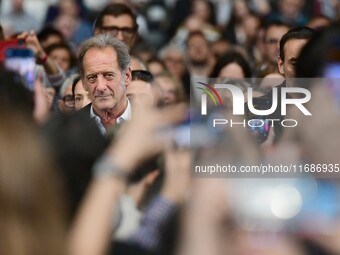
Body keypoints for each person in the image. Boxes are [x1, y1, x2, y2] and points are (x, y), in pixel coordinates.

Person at [78, 34, 132, 134]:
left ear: (127, 76)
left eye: (108, 75)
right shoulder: (72, 128)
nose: (100, 87)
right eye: (92, 78)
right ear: (84, 82)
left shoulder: (151, 123)